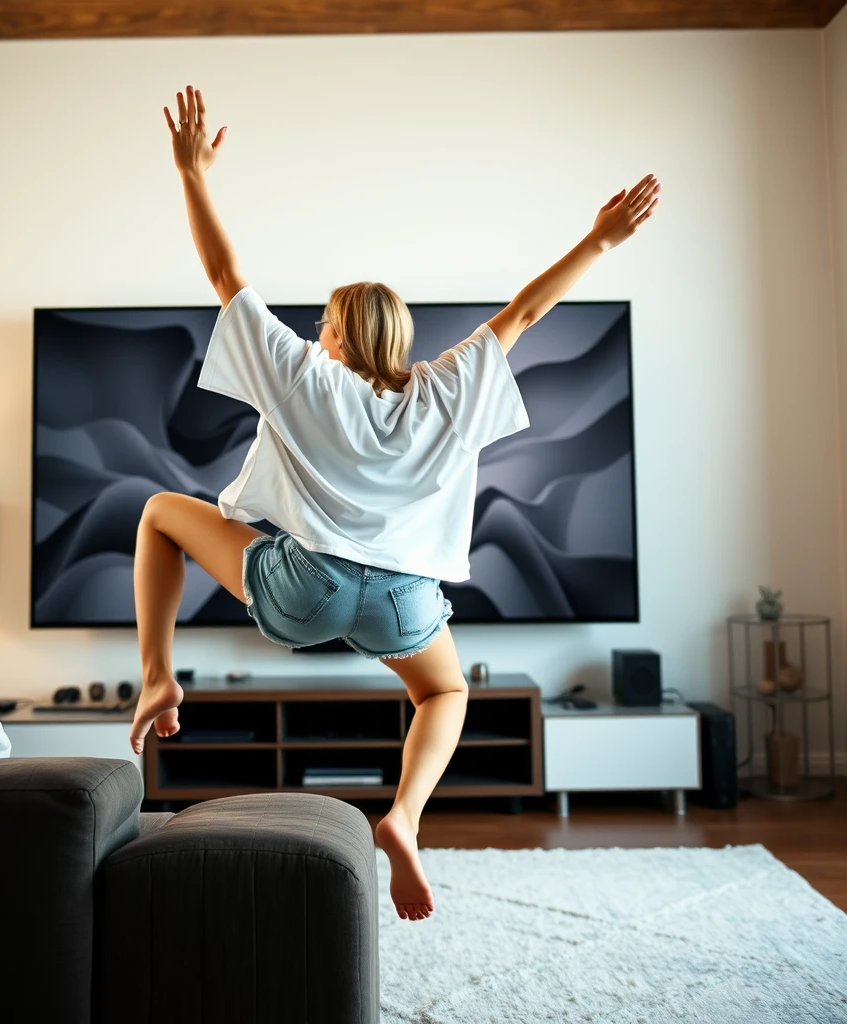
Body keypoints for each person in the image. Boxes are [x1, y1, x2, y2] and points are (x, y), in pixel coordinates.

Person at [130, 85, 661, 922]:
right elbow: (526, 310)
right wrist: (600, 237)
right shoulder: (447, 389)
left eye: (321, 326)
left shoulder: (305, 375)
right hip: (402, 601)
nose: (312, 335)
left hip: (305, 586)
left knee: (161, 511)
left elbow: (225, 274)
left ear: (336, 335)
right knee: (444, 696)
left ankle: (158, 679)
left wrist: (193, 175)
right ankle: (405, 815)